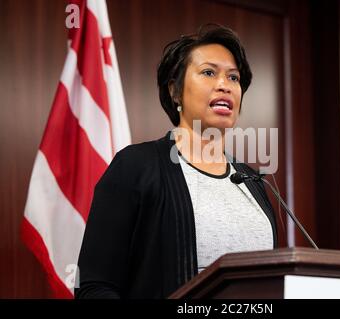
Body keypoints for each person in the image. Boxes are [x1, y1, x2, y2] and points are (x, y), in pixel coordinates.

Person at [75, 24, 278, 299]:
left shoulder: (253, 181)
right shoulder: (136, 167)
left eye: (234, 78)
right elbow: (94, 287)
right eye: (208, 72)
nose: (224, 85)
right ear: (175, 90)